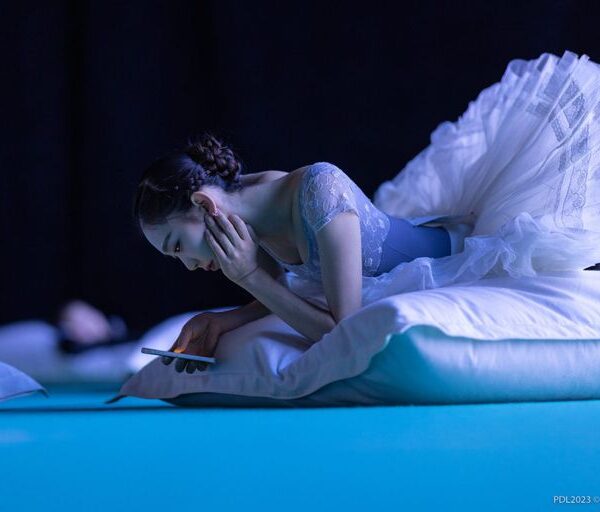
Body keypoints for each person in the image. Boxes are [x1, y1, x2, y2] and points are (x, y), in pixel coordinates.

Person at [132, 133, 471, 374]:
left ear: (204, 204)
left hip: (447, 254)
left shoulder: (320, 188)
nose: (189, 266)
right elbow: (277, 293)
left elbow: (344, 333)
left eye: (178, 246)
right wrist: (218, 321)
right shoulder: (247, 212)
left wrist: (250, 276)